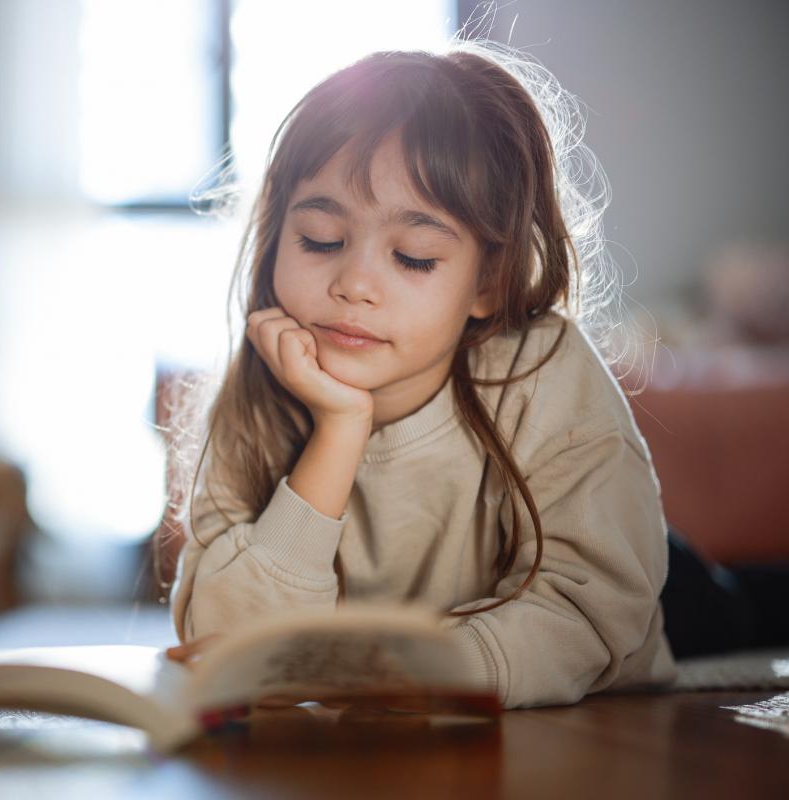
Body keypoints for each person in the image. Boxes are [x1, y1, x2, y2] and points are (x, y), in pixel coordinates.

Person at [160, 40, 785, 711]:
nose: (354, 283)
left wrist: (413, 673)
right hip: (426, 660)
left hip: (660, 584)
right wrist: (338, 429)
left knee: (748, 609)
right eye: (320, 239)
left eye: (414, 256)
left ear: (487, 280)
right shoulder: (254, 397)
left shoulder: (538, 367)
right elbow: (228, 644)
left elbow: (594, 610)